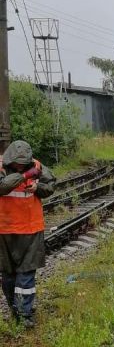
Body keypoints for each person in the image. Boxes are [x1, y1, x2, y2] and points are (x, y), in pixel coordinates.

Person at [0, 140, 56, 327]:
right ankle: (15, 310)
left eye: (24, 163)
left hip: (30, 229)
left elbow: (50, 186)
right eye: (18, 163)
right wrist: (25, 176)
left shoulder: (38, 166)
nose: (21, 166)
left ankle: (24, 314)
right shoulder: (1, 167)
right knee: (8, 274)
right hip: (5, 230)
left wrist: (37, 187)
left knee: (26, 273)